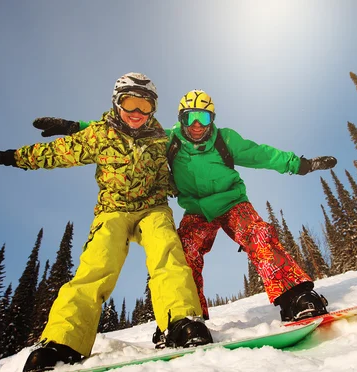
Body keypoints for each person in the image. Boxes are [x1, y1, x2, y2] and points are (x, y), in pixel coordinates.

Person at [34, 89, 337, 340]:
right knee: (183, 255)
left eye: (202, 117)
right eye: (189, 117)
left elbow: (263, 154)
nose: (196, 124)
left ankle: (294, 296)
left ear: (211, 119)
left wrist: (302, 164)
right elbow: (124, 132)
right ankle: (184, 318)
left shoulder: (225, 139)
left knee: (258, 234)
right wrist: (75, 127)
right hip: (196, 211)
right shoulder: (168, 140)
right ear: (180, 120)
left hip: (232, 203)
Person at [0, 74, 212, 372]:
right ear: (116, 103)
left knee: (167, 253)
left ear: (153, 109)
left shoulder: (162, 138)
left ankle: (180, 322)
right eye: (129, 103)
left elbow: (188, 158)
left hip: (153, 208)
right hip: (113, 210)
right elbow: (56, 153)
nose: (136, 113)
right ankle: (63, 341)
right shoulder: (100, 135)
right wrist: (9, 157)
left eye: (144, 105)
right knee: (97, 264)